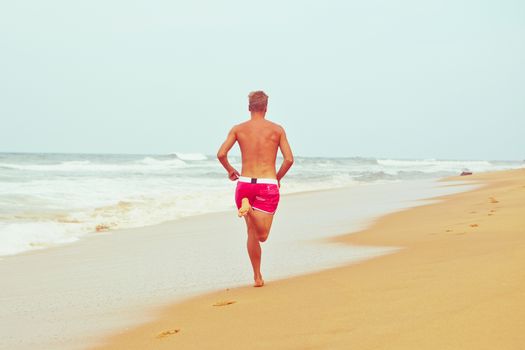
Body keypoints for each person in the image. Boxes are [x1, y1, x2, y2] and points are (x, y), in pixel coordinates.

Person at [217, 91, 294, 287]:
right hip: (266, 185)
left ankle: (257, 277)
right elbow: (289, 159)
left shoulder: (238, 129)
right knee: (262, 235)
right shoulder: (277, 130)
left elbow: (221, 154)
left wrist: (231, 171)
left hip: (244, 184)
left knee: (251, 231)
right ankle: (249, 210)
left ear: (249, 107)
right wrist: (276, 178)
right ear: (266, 108)